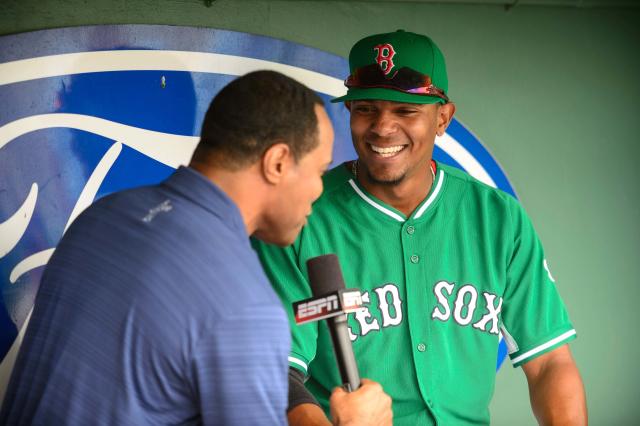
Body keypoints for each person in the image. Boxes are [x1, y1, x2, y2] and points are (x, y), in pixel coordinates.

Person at [0, 71, 392, 425]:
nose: (320, 190)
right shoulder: (243, 301)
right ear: (277, 163)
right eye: (319, 172)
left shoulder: (102, 218)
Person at [253, 31, 588, 425]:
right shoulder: (299, 218)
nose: (382, 127)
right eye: (366, 109)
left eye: (406, 111)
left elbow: (549, 362)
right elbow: (277, 373)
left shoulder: (498, 219)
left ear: (442, 117)